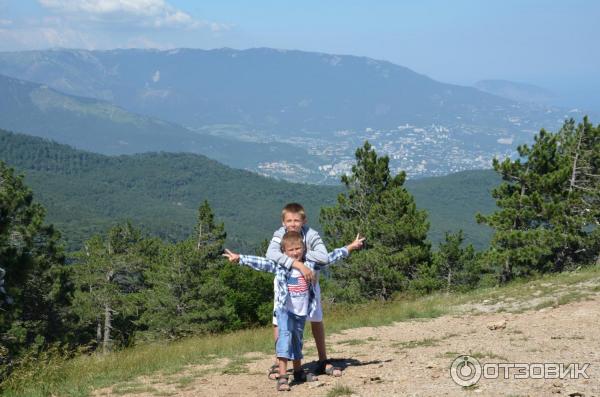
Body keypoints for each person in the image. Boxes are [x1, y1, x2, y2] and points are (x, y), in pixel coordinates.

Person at [223, 231, 364, 391]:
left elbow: (331, 257)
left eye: (298, 248)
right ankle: (283, 377)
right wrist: (240, 258)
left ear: (303, 248)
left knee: (297, 342)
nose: (295, 252)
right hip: (285, 312)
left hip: (300, 313)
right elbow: (262, 262)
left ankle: (298, 372)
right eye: (291, 250)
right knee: (284, 341)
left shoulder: (311, 264)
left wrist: (351, 247)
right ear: (284, 252)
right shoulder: (281, 265)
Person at [266, 203, 341, 378]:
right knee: (280, 321)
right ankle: (280, 362)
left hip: (309, 286)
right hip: (285, 286)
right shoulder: (279, 234)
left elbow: (323, 256)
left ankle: (323, 359)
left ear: (303, 220)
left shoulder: (311, 234)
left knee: (316, 318)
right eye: (289, 221)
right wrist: (298, 263)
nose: (292, 224)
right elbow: (270, 254)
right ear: (283, 222)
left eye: (296, 220)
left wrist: (303, 257)